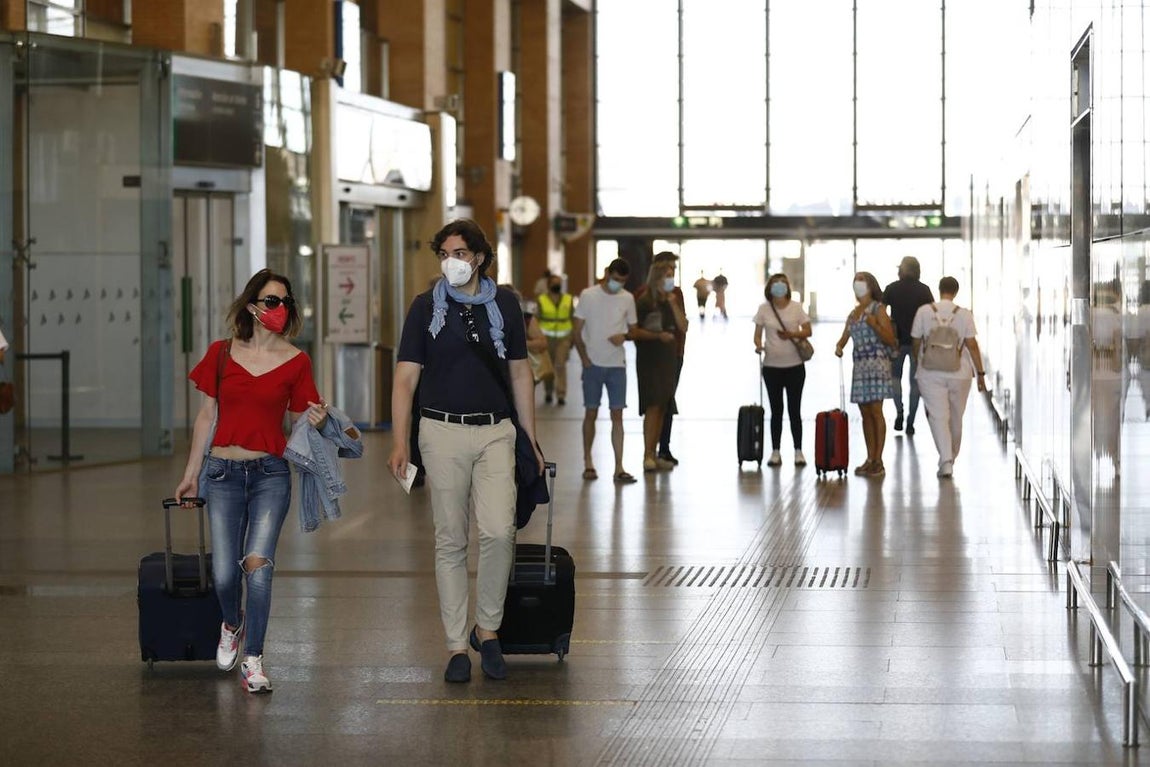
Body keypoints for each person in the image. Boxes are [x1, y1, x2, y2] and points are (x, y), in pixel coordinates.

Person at [388, 219, 540, 684]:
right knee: (450, 538)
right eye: (444, 253)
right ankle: (457, 644)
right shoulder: (424, 309)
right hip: (441, 431)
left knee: (498, 532)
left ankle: (487, 629)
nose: (450, 261)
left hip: (496, 431)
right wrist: (399, 441)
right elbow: (405, 378)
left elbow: (519, 372)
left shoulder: (506, 305)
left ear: (479, 256)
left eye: (459, 252)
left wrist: (529, 437)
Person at [174, 268, 327, 694]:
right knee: (225, 575)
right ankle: (231, 623)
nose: (279, 309)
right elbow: (206, 416)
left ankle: (254, 659)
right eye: (271, 300)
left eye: (285, 302)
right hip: (221, 473)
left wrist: (316, 420)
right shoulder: (221, 353)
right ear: (252, 305)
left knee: (257, 568)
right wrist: (191, 475)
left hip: (270, 476)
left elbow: (300, 422)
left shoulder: (297, 361)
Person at [911, 276, 987, 479]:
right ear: (956, 291)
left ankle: (946, 460)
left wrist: (919, 361)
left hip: (930, 372)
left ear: (939, 289)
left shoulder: (924, 311)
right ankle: (950, 456)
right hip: (960, 373)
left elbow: (916, 340)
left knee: (938, 416)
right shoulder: (964, 314)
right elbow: (972, 345)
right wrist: (980, 373)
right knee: (955, 417)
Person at [572, 258, 639, 483]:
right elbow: (577, 330)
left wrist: (625, 336)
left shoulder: (627, 298)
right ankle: (588, 462)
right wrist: (584, 359)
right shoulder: (588, 295)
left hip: (617, 365)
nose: (618, 284)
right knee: (591, 412)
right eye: (615, 279)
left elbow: (634, 329)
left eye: (622, 281)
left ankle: (619, 466)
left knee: (617, 415)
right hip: (593, 364)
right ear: (607, 273)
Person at [834, 271, 897, 477]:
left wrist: (875, 325)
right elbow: (845, 336)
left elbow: (890, 338)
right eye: (856, 281)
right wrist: (839, 346)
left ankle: (879, 459)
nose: (858, 284)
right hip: (860, 366)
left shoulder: (877, 310)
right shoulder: (853, 314)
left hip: (877, 364)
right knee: (865, 413)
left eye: (862, 280)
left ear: (871, 285)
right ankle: (870, 457)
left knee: (876, 411)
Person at [634, 251, 689, 465]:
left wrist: (673, 302)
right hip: (650, 358)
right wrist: (657, 336)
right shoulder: (644, 297)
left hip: (672, 356)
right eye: (667, 273)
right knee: (653, 404)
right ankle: (649, 453)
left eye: (673, 272)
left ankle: (659, 450)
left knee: (665, 404)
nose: (671, 277)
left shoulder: (675, 295)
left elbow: (683, 326)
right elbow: (634, 330)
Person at [753, 273, 812, 467]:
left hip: (795, 366)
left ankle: (798, 451)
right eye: (775, 285)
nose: (779, 288)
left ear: (787, 287)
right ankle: (775, 451)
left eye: (782, 284)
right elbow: (757, 335)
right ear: (770, 288)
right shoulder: (764, 309)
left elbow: (808, 330)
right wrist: (759, 346)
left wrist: (792, 334)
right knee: (776, 410)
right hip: (771, 367)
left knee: (795, 410)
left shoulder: (796, 307)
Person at [883, 256, 934, 436]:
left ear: (901, 270)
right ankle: (910, 421)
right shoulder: (924, 290)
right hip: (917, 343)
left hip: (895, 342)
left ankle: (899, 412)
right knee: (915, 383)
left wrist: (889, 327)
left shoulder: (891, 288)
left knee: (895, 379)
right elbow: (931, 315)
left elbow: (881, 311)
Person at [536, 274, 574, 405]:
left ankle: (561, 394)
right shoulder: (542, 300)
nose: (556, 285)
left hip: (564, 338)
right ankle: (548, 391)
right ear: (549, 285)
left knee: (560, 365)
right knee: (549, 367)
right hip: (546, 339)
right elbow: (537, 320)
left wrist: (572, 339)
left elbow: (572, 319)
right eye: (554, 283)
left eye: (558, 283)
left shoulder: (568, 300)